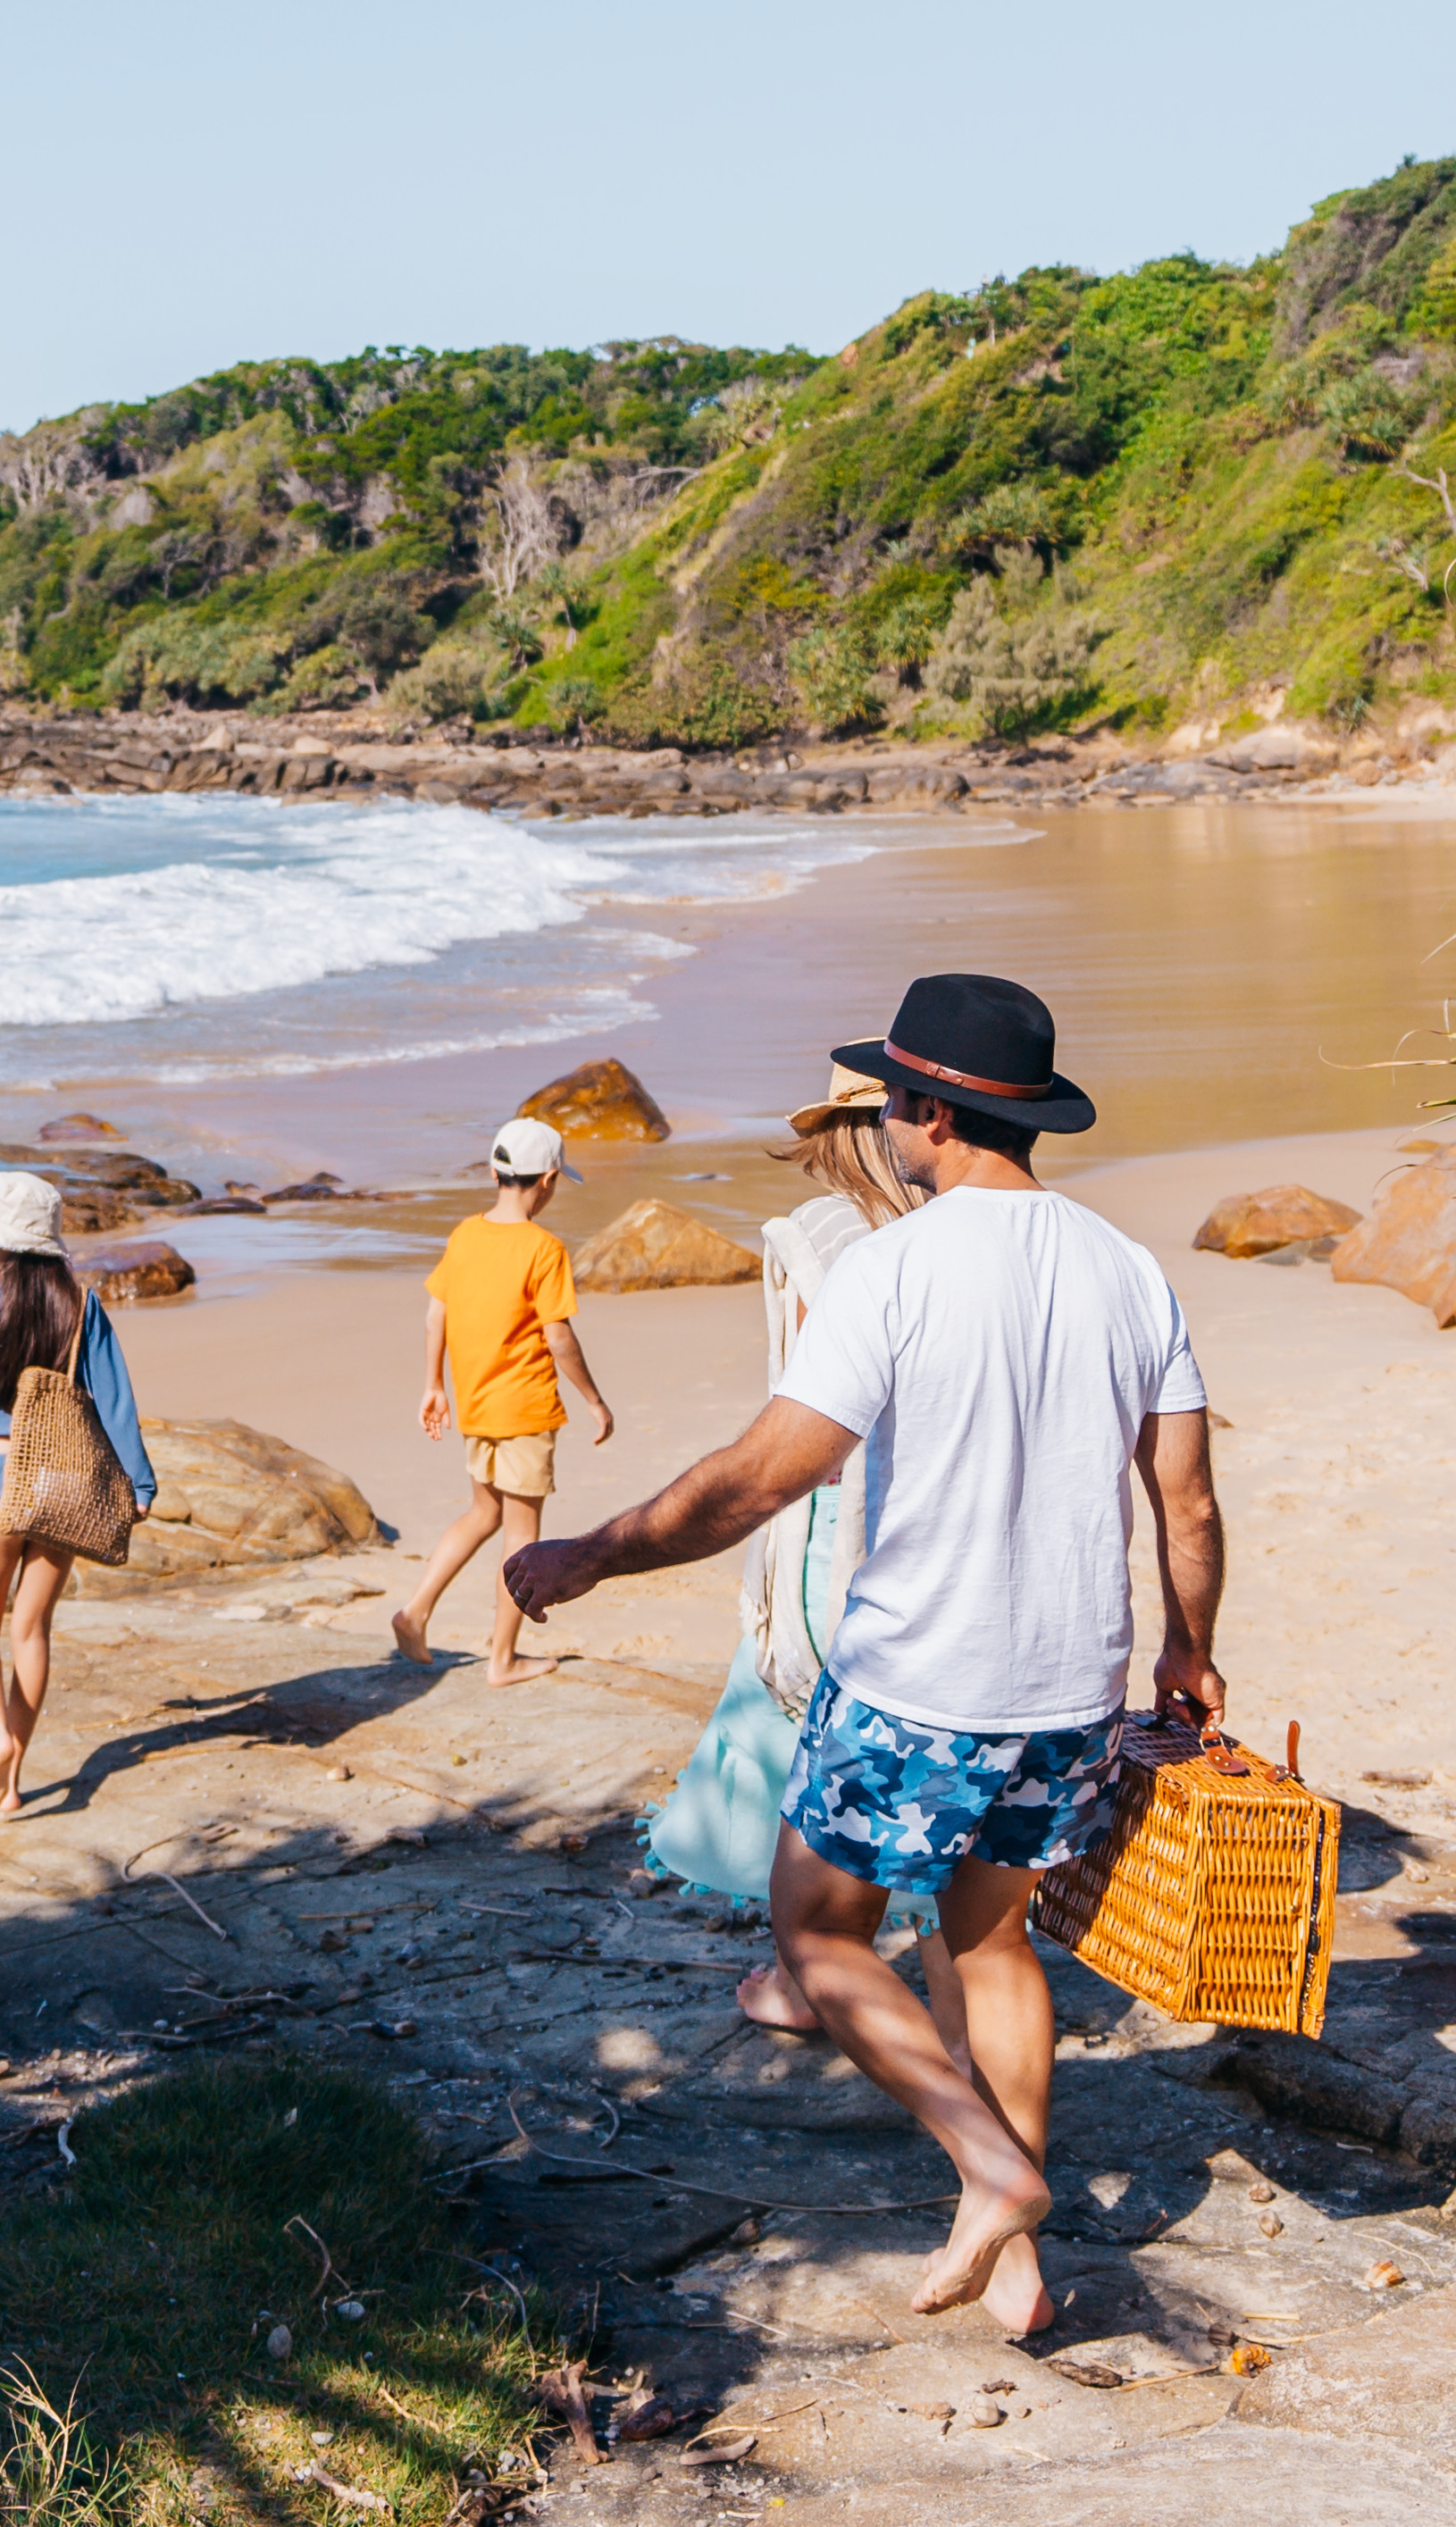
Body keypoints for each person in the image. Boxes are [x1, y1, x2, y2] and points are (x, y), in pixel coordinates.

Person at [508, 975, 1220, 2339]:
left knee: (818, 1932)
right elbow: (1183, 1498)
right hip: (1071, 1686)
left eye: (892, 1097)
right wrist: (1188, 1649)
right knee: (994, 1940)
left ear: (926, 1113)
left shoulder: (892, 1266)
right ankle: (1013, 2263)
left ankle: (991, 2161)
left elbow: (763, 1477)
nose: (887, 1121)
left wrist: (593, 1550)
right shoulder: (1128, 1267)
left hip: (916, 1684)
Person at [641, 1072, 926, 2034]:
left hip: (827, 1518)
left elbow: (807, 1416)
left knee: (806, 1737)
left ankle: (805, 1976)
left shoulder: (826, 1236)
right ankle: (912, 1993)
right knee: (926, 1778)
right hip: (928, 1522)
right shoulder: (947, 1233)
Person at [0, 1167, 158, 1818]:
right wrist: (139, 1481)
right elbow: (114, 1400)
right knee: (31, 1627)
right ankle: (15, 1771)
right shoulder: (82, 1307)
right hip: (68, 1483)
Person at [389, 1114, 613, 1681]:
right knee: (521, 1535)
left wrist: (434, 1385)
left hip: (478, 1405)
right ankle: (502, 1659)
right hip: (526, 1409)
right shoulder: (544, 1249)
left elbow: (434, 1312)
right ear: (550, 1179)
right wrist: (593, 1399)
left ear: (495, 1171)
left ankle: (413, 1614)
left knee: (482, 1512)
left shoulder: (466, 1234)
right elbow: (559, 1337)